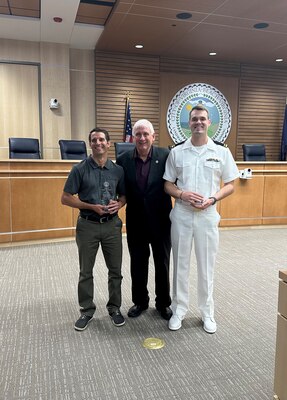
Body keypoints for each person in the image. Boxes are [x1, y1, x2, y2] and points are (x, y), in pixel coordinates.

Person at [163, 105, 239, 333]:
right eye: (194, 119)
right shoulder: (177, 152)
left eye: (202, 119)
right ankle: (179, 310)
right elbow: (167, 184)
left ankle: (207, 313)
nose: (198, 122)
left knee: (207, 267)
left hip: (207, 216)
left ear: (209, 122)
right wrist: (181, 194)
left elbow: (231, 184)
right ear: (189, 123)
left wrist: (213, 199)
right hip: (182, 216)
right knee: (180, 265)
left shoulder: (221, 152)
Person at [61, 128, 126, 331]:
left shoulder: (118, 170)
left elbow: (124, 196)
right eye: (94, 140)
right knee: (85, 271)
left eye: (101, 140)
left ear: (108, 143)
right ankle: (87, 311)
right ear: (90, 144)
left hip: (112, 226)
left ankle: (114, 308)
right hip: (87, 225)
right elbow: (66, 198)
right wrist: (90, 206)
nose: (98, 143)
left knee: (115, 271)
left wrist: (120, 204)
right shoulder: (79, 169)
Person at [116, 119, 172, 320]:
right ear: (133, 138)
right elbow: (121, 190)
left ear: (153, 136)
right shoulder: (123, 159)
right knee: (138, 263)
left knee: (162, 263)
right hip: (136, 221)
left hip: (161, 221)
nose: (141, 138)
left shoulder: (166, 156)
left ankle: (163, 303)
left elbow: (174, 182)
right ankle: (140, 301)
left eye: (145, 134)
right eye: (138, 134)